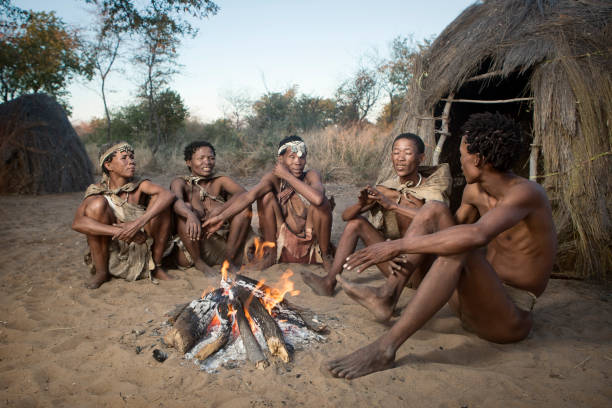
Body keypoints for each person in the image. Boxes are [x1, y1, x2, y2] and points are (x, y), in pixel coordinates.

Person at [325, 112, 557, 379]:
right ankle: (387, 295)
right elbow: (443, 230)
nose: (459, 161)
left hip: (507, 318)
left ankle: (385, 348)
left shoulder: (527, 193)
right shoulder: (474, 193)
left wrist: (396, 246)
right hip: (470, 303)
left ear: (478, 160)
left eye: (462, 155)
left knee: (459, 247)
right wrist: (403, 233)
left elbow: (474, 236)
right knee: (434, 209)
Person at [301, 133, 451, 297]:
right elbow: (346, 217)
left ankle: (390, 293)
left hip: (423, 270)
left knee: (416, 213)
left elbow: (435, 221)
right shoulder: (387, 188)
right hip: (395, 264)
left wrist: (392, 206)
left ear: (421, 158)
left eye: (407, 153)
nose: (400, 158)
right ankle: (329, 282)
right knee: (356, 223)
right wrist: (361, 204)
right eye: (396, 152)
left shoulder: (432, 189)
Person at [203, 135, 333, 270]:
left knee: (322, 204)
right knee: (266, 197)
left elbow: (318, 198)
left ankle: (325, 254)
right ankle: (270, 254)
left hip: (311, 239)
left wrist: (289, 178)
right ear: (280, 159)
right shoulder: (273, 178)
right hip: (283, 242)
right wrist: (221, 217)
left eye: (302, 157)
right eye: (292, 157)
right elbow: (249, 196)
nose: (298, 162)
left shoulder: (311, 175)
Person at [72, 142, 175, 289]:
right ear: (109, 165)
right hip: (115, 250)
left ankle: (156, 267)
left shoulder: (140, 184)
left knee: (162, 204)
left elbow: (168, 194)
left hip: (143, 245)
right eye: (124, 158)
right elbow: (78, 223)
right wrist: (122, 231)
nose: (131, 161)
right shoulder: (97, 190)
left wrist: (137, 224)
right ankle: (102, 272)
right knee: (96, 206)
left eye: (132, 157)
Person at [169, 141, 252, 274]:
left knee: (244, 208)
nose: (207, 162)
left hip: (225, 247)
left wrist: (221, 210)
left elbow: (244, 194)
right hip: (195, 246)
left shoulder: (220, 181)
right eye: (201, 158)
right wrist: (190, 215)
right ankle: (199, 263)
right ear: (188, 162)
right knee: (185, 209)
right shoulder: (180, 182)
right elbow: (176, 201)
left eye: (211, 158)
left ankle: (229, 262)